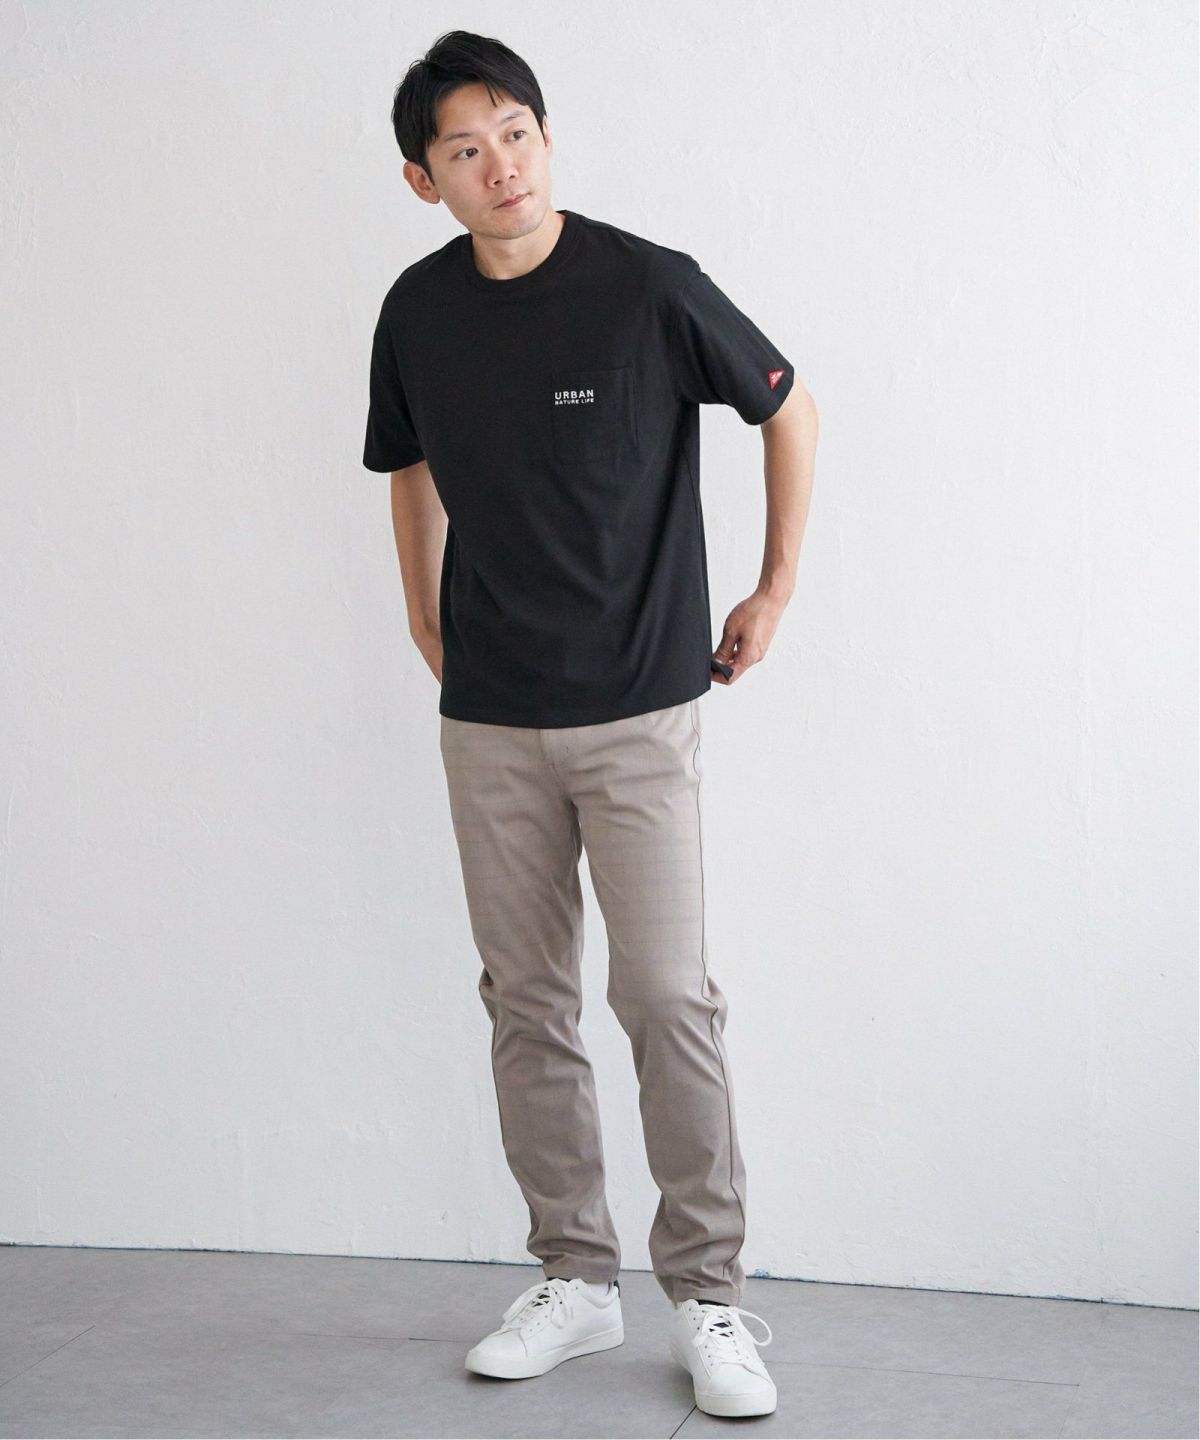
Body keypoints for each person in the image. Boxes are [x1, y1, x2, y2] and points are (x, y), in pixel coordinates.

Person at [363, 29, 817, 1421]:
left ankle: (710, 1295)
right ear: (424, 179)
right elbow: (404, 463)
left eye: (516, 132)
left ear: (547, 137)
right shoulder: (417, 311)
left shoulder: (646, 287)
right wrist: (423, 613)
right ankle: (573, 1276)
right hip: (491, 722)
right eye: (465, 148)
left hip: (641, 712)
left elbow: (787, 405)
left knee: (667, 998)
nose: (499, 164)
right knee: (527, 1001)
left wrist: (773, 587)